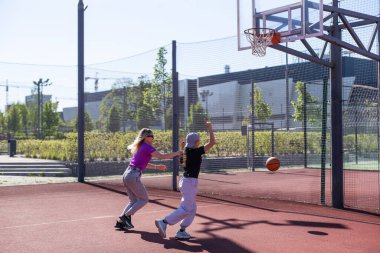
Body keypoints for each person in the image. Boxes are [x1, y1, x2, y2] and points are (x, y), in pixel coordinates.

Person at [155, 122, 216, 239]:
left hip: (185, 181)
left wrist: (182, 147)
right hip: (190, 182)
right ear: (196, 142)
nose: (199, 142)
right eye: (198, 140)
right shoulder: (196, 152)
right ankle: (164, 222)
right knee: (187, 208)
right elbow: (212, 142)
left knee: (192, 209)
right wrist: (210, 128)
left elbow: (182, 161)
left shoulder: (185, 152)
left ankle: (182, 230)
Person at [115, 128, 182, 231]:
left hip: (127, 175)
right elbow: (162, 156)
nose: (152, 137)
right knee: (144, 199)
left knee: (133, 201)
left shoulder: (141, 146)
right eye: (150, 135)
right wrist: (177, 153)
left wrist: (156, 167)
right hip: (133, 175)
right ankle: (125, 217)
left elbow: (142, 164)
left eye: (152, 135)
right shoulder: (147, 147)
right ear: (145, 137)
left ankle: (120, 223)